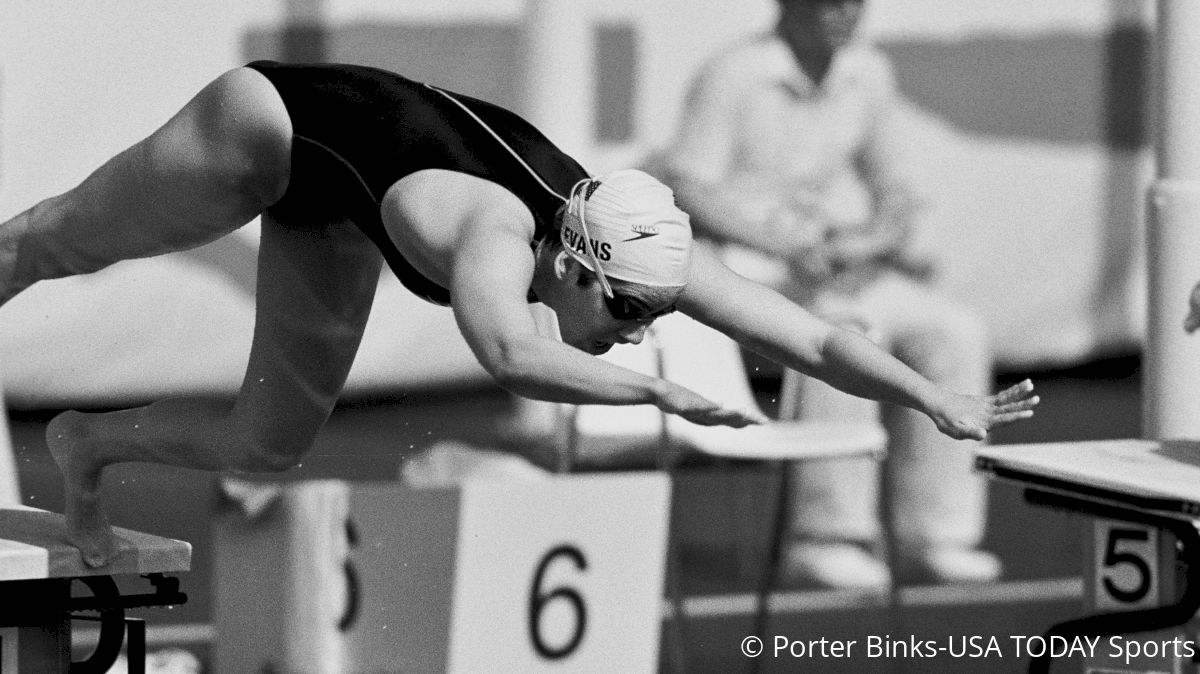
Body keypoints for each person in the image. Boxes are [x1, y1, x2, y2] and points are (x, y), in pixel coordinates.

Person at [0, 60, 1037, 568]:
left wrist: (932, 396)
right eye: (628, 312)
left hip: (344, 210)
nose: (637, 325)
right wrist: (660, 390)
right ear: (577, 268)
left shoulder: (622, 250)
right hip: (270, 129)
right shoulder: (494, 241)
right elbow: (505, 349)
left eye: (650, 314)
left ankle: (85, 440)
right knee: (63, 238)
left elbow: (807, 333)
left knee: (269, 447)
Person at [658, 0, 1003, 587]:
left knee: (955, 330)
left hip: (838, 265)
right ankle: (826, 536)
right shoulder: (733, 73)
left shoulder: (869, 74)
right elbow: (687, 187)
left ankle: (938, 533)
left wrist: (863, 244)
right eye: (832, 4)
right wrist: (777, 245)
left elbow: (896, 193)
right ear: (792, 7)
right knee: (843, 328)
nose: (848, 16)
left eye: (855, 4)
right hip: (748, 276)